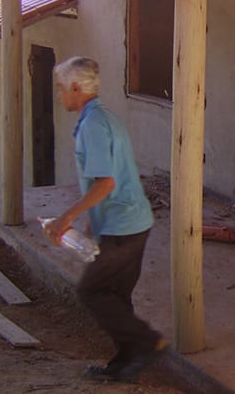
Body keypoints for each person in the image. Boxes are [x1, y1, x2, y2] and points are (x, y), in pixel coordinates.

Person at [44, 56, 166, 382]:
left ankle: (148, 342)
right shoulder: (104, 118)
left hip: (123, 227)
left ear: (75, 88)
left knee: (92, 291)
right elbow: (108, 181)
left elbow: (105, 182)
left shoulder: (92, 127)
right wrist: (89, 220)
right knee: (115, 296)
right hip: (132, 223)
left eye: (60, 88)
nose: (59, 95)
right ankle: (125, 366)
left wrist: (65, 217)